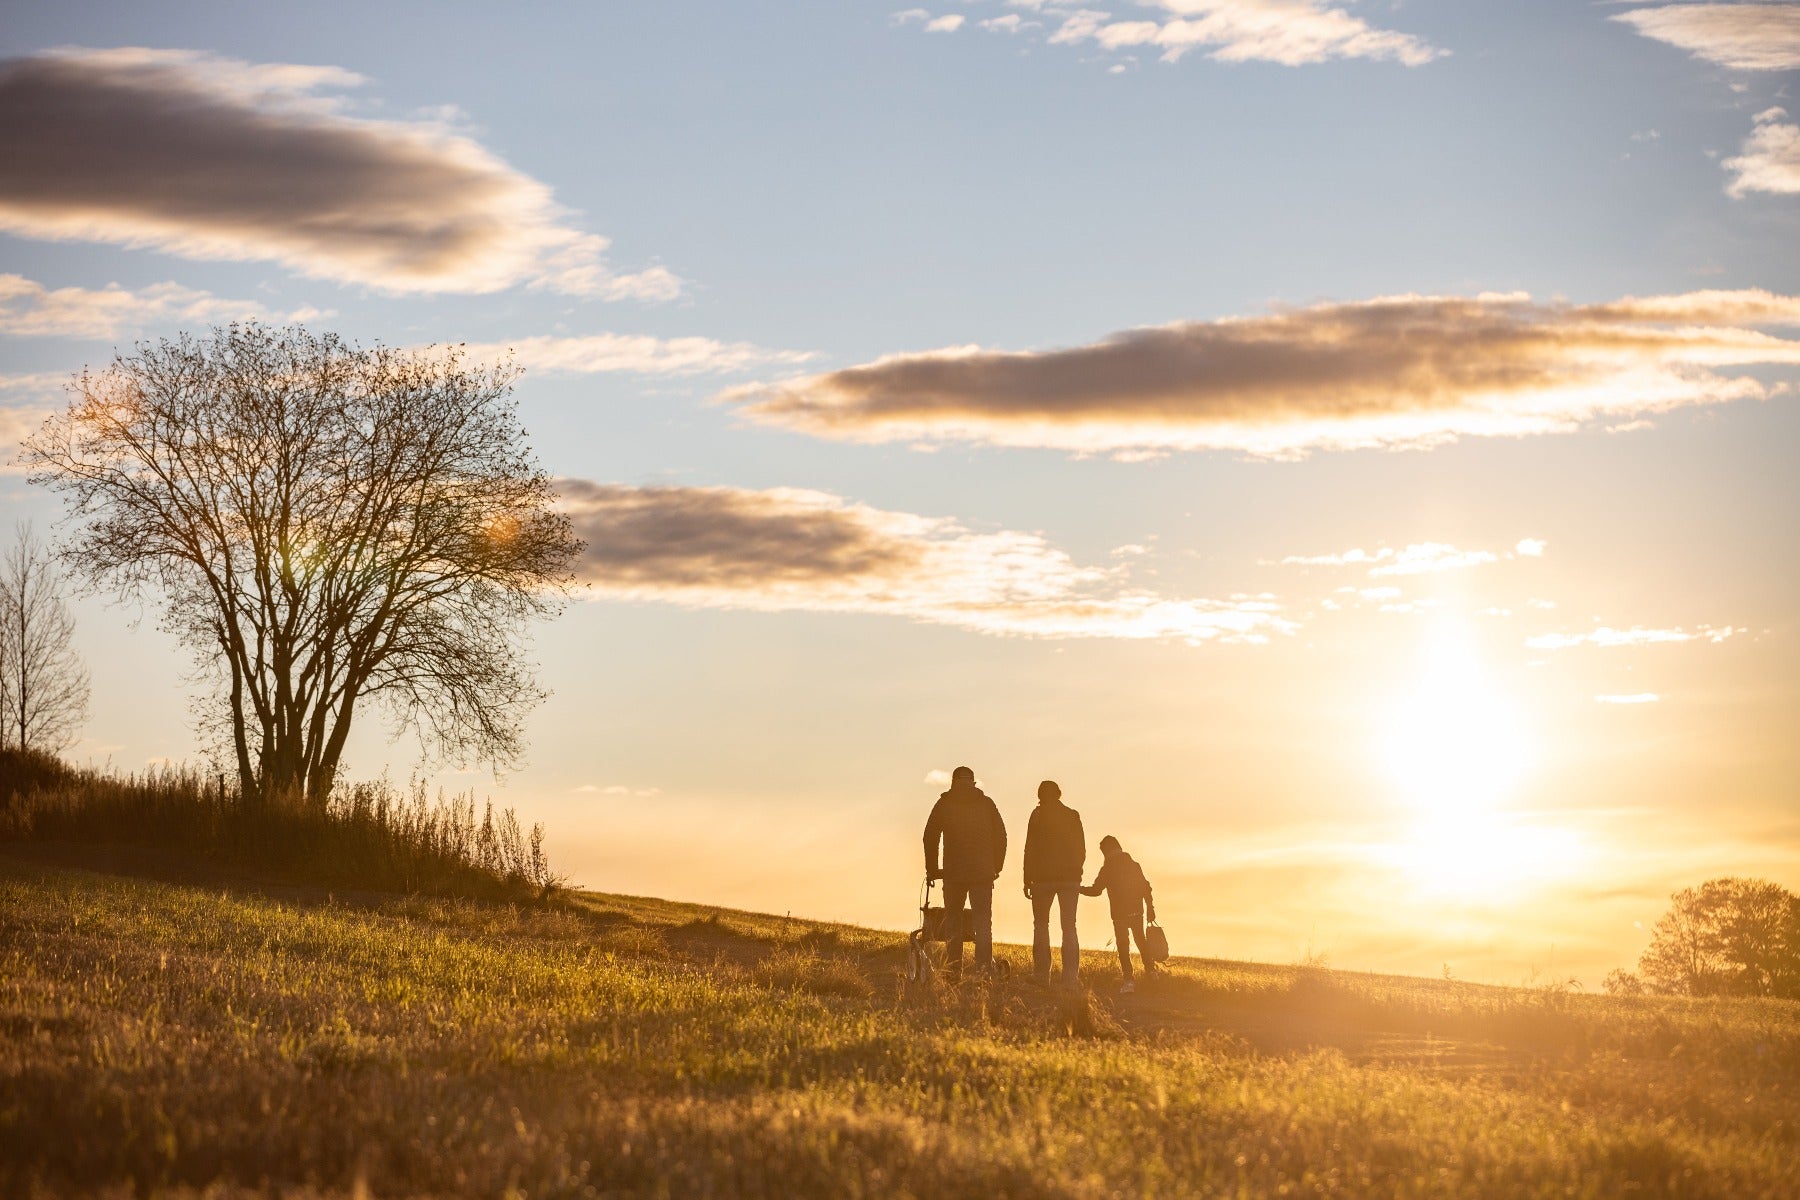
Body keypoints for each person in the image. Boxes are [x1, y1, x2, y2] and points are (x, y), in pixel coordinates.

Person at [923, 765, 1007, 979]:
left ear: (953, 782)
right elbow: (1002, 836)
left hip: (954, 873)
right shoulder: (987, 804)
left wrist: (932, 869)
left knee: (953, 921)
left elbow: (930, 837)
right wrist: (996, 867)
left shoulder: (944, 804)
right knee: (983, 922)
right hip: (982, 873)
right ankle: (983, 972)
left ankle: (953, 971)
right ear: (973, 782)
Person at [1022, 780, 1085, 988]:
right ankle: (1070, 979)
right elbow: (1081, 849)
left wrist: (1027, 877)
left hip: (1042, 879)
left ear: (1040, 796)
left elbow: (1029, 847)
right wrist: (1077, 873)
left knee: (1041, 925)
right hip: (1070, 880)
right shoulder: (1072, 815)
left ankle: (1041, 976)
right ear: (1059, 794)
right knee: (1069, 927)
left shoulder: (1037, 816)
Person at [1081, 835, 1159, 993]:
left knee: (1123, 946)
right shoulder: (1133, 865)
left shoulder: (1107, 868)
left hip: (1119, 914)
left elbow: (1096, 891)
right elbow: (1145, 887)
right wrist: (1150, 908)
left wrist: (1077, 888)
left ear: (1106, 851)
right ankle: (1152, 974)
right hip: (1137, 911)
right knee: (1141, 942)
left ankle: (1129, 981)